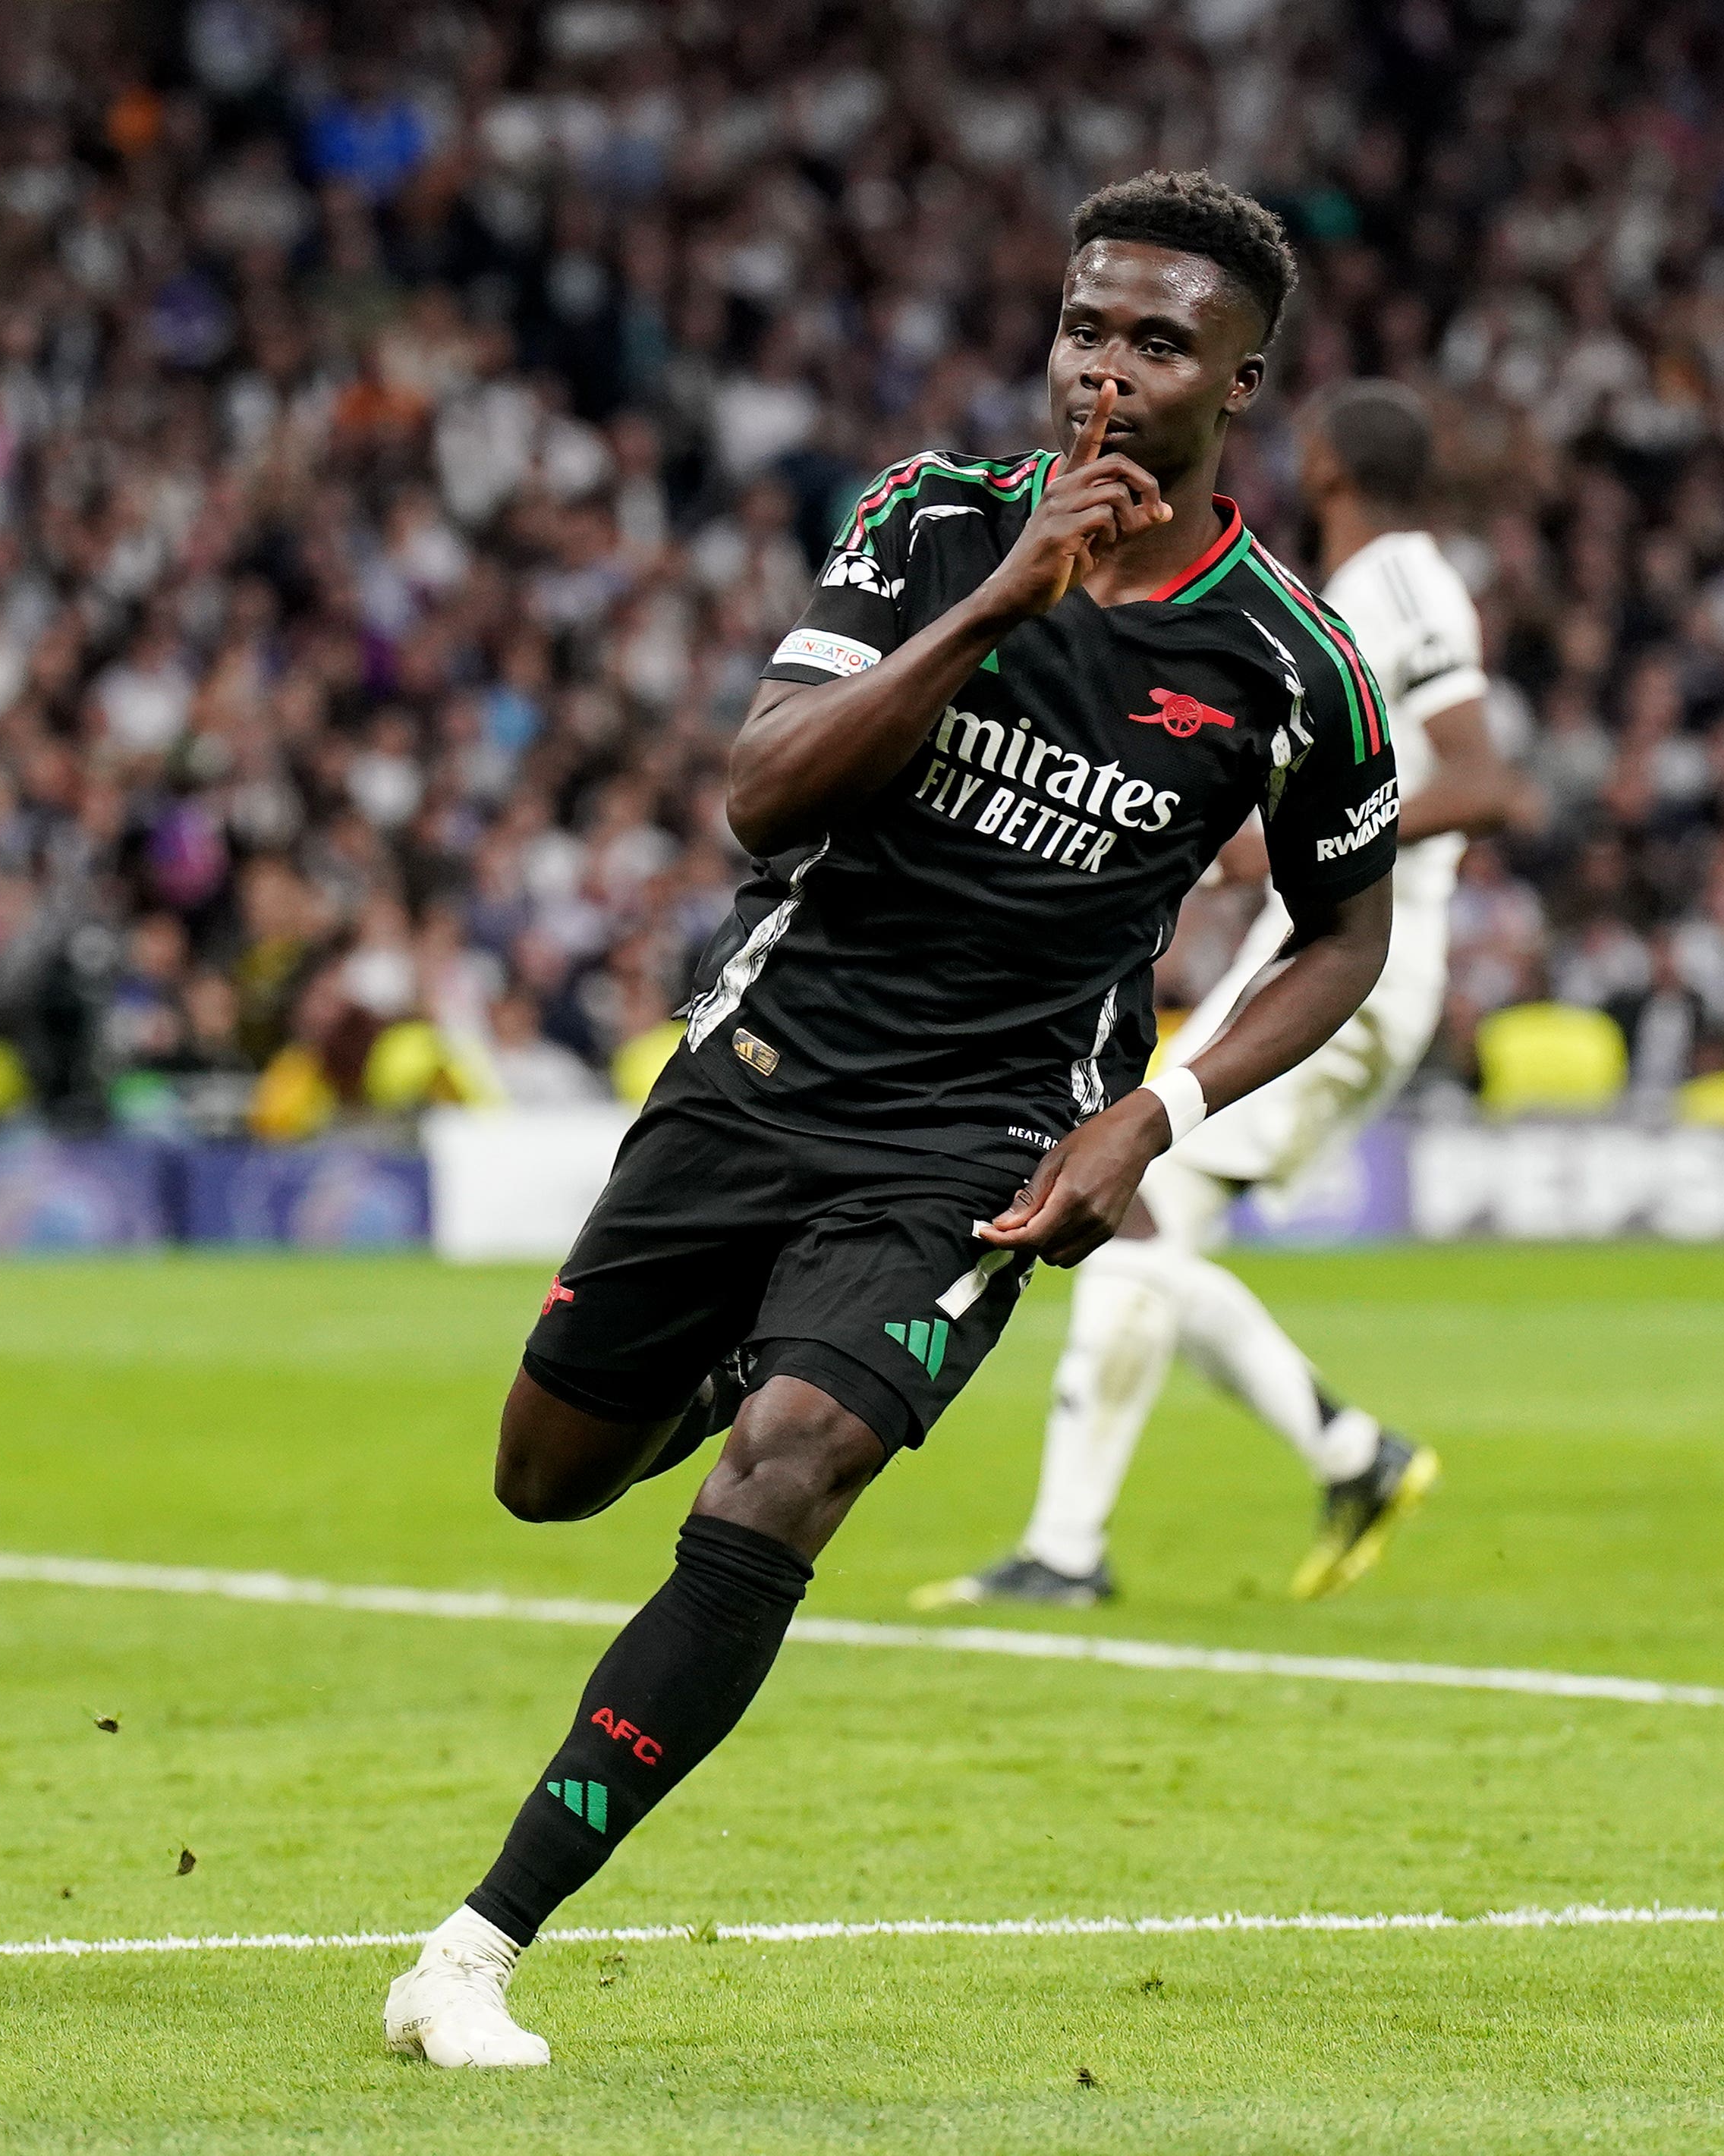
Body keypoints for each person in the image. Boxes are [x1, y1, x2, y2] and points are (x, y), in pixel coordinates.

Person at [380, 171, 1399, 2070]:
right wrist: (1002, 608)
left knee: (788, 1467)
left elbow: (1347, 939)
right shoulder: (930, 524)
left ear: (1239, 382)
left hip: (987, 1146)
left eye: (1157, 342)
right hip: (762, 1079)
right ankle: (737, 1346)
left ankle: (472, 1951)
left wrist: (1159, 1113)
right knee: (545, 1475)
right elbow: (760, 799)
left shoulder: (1291, 662)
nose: (1104, 369)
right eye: (1085, 326)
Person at [916, 380, 1514, 1609]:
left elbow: (1481, 777)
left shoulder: (1397, 581)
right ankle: (1104, 1532)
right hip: (1336, 944)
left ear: (1332, 464)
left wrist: (1328, 842)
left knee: (1127, 1194)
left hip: (1358, 953)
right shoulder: (1358, 594)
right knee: (1137, 1214)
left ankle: (1262, 1478)